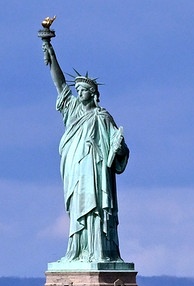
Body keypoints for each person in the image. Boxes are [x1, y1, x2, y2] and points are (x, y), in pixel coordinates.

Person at [42, 39, 129, 263]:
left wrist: (118, 149)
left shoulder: (102, 117)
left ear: (93, 93)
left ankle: (99, 251)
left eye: (83, 90)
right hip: (76, 170)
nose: (79, 93)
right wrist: (52, 56)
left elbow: (118, 146)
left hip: (97, 172)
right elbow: (60, 85)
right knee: (78, 208)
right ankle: (78, 251)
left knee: (97, 209)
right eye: (77, 90)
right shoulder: (71, 110)